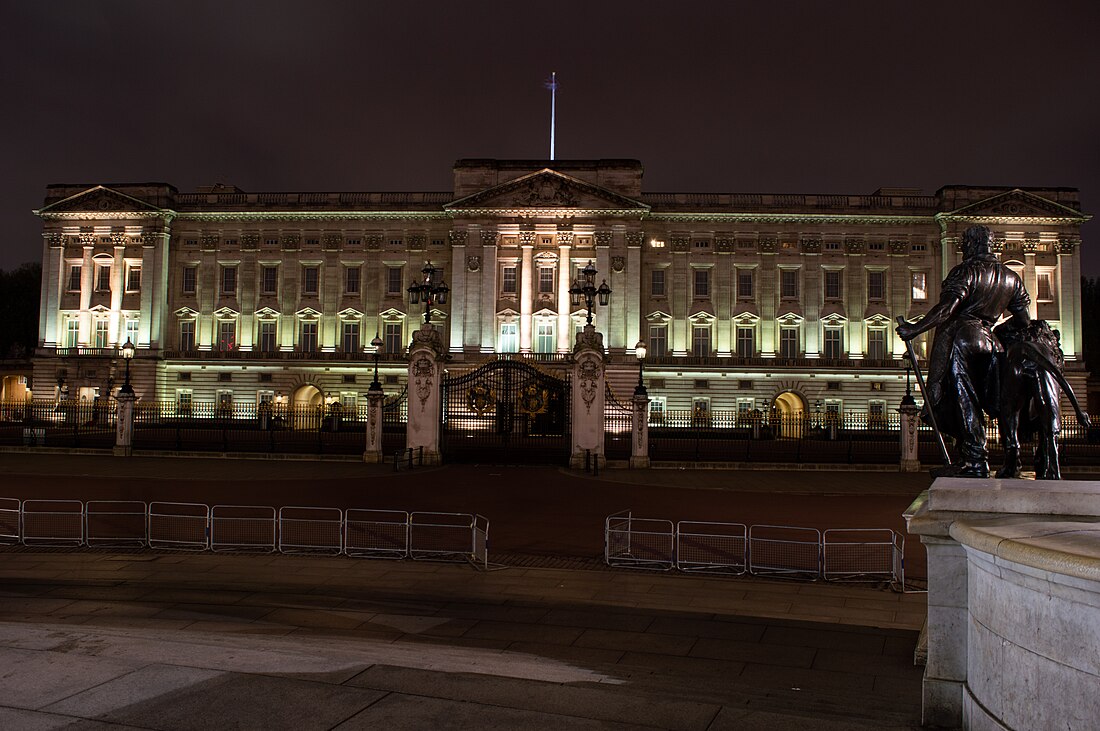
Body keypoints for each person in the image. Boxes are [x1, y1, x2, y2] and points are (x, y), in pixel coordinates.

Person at [895, 225, 1030, 477]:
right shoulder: (1012, 277)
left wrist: (915, 329)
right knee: (986, 399)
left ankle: (976, 460)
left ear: (973, 245)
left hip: (963, 338)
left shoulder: (966, 271)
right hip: (992, 341)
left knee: (962, 396)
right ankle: (973, 455)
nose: (965, 249)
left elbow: (947, 309)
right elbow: (1024, 322)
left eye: (966, 244)